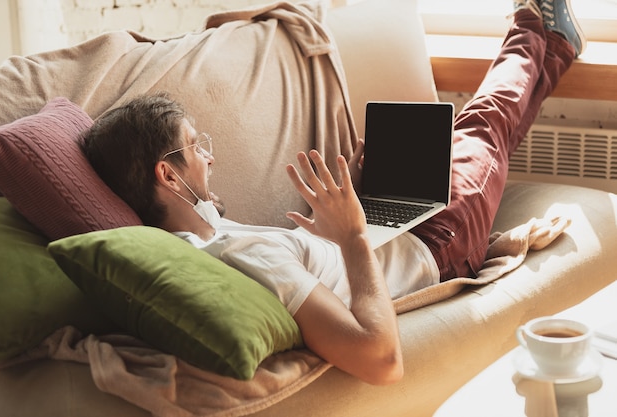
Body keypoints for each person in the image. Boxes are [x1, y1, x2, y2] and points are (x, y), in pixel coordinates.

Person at [81, 0, 585, 385]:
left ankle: (552, 38)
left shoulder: (202, 236)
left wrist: (351, 209)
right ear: (167, 176)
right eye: (196, 147)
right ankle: (536, 25)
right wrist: (353, 236)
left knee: (478, 131)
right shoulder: (239, 254)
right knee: (484, 125)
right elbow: (381, 359)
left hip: (388, 230)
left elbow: (313, 264)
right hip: (435, 249)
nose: (210, 158)